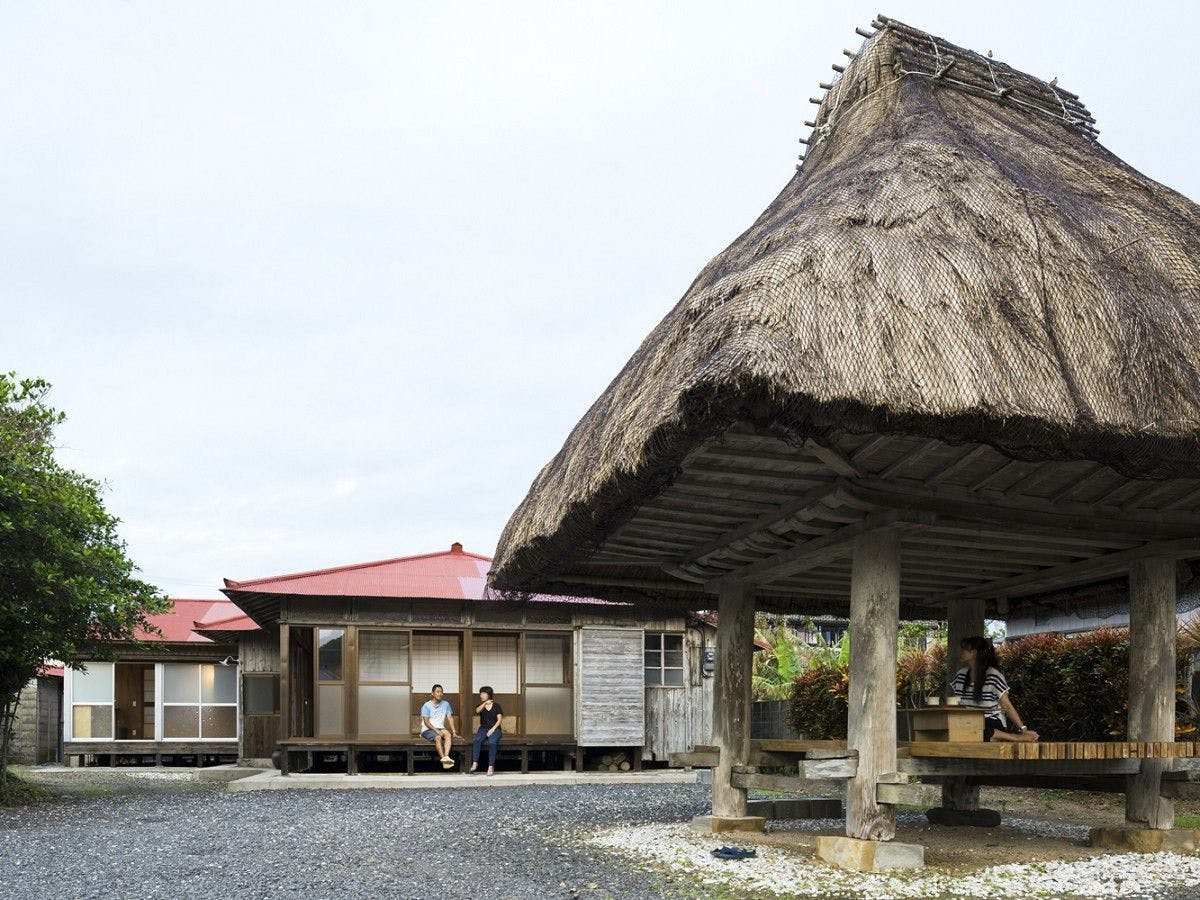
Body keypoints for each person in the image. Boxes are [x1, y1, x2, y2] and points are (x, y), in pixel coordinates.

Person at [951, 636, 1039, 743]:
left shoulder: (994, 676)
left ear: (974, 652)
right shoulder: (960, 675)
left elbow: (1006, 705)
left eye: (964, 649)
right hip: (967, 722)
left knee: (980, 731)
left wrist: (1023, 729)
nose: (960, 652)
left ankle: (1015, 737)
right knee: (950, 730)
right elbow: (956, 703)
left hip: (990, 721)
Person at [420, 684, 458, 769]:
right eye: (437, 692)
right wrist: (437, 731)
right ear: (432, 693)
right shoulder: (426, 705)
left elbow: (450, 718)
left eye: (441, 692)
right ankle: (443, 759)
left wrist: (454, 732)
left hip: (440, 728)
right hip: (427, 729)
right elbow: (426, 722)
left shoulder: (446, 704)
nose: (440, 694)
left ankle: (446, 757)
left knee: (448, 734)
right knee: (438, 737)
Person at [469, 686, 504, 776]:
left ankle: (490, 766)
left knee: (492, 742)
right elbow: (477, 711)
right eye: (481, 693)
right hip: (483, 728)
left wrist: (493, 729)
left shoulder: (496, 706)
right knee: (477, 740)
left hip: (495, 729)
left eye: (484, 693)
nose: (481, 695)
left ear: (489, 694)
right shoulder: (481, 705)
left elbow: (499, 720)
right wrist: (485, 703)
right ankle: (475, 762)